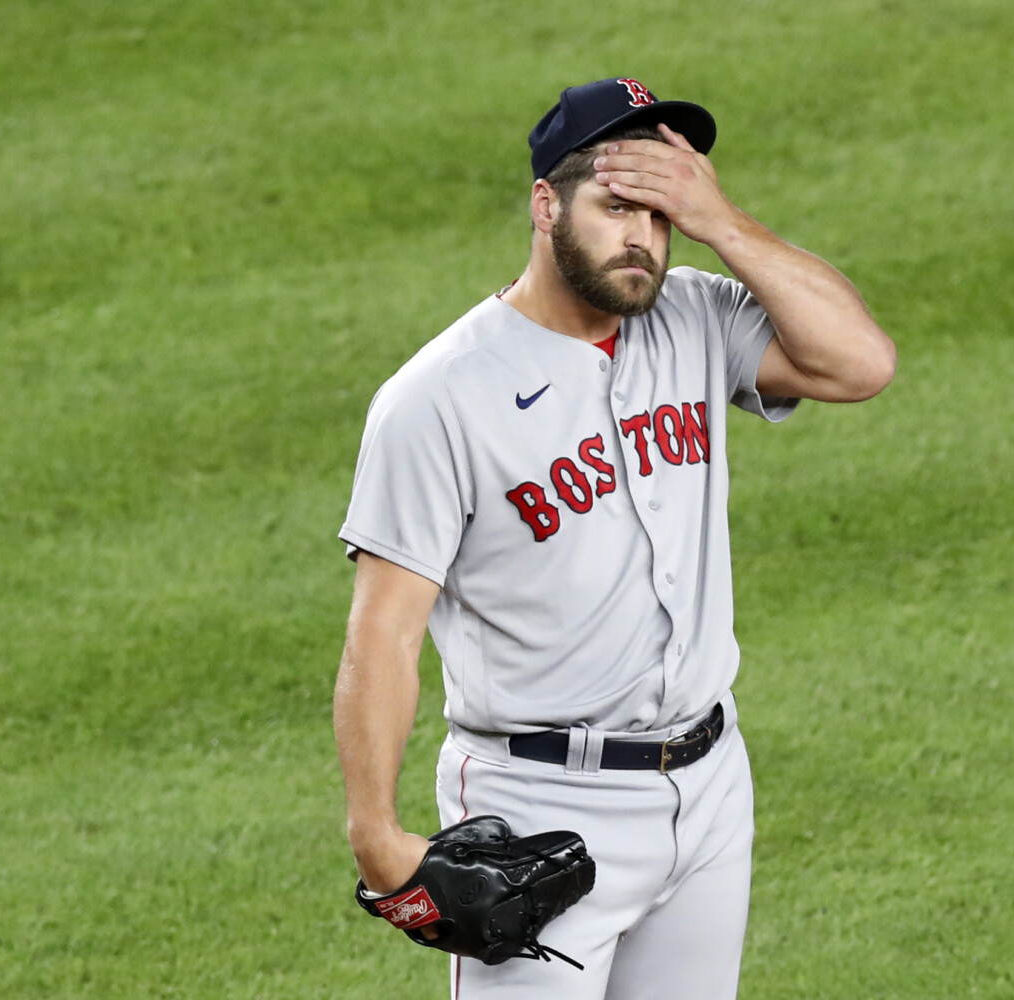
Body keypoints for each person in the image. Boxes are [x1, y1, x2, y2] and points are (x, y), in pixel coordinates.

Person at [333, 77, 895, 1000]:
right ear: (546, 205)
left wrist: (725, 221)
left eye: (663, 211)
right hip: (540, 805)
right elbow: (383, 632)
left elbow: (861, 362)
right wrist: (376, 834)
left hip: (709, 785)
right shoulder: (437, 398)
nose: (643, 236)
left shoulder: (696, 317)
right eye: (616, 204)